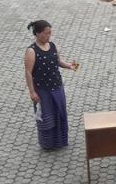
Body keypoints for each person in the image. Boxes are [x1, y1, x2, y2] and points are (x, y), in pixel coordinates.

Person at [23, 20, 77, 150]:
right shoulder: (31, 51)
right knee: (46, 117)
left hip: (57, 87)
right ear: (38, 34)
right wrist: (32, 92)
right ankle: (47, 144)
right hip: (42, 91)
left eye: (50, 33)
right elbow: (28, 73)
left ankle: (60, 141)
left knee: (59, 113)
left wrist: (69, 65)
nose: (49, 36)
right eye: (47, 33)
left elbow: (58, 61)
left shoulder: (52, 45)